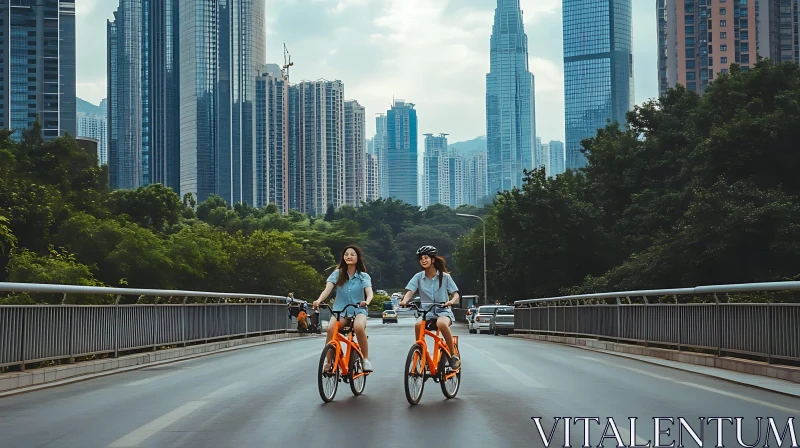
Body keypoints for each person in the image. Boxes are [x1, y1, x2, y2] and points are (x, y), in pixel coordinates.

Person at [312, 245, 374, 372]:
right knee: (331, 329)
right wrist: (319, 300)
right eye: (346, 254)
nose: (349, 256)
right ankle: (329, 363)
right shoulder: (337, 274)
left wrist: (366, 302)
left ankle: (365, 359)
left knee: (358, 327)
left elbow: (370, 292)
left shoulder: (363, 276)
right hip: (341, 311)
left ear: (358, 258)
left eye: (352, 254)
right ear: (343, 257)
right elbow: (327, 289)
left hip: (359, 310)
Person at [400, 245, 461, 369]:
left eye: (426, 258)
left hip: (443, 311)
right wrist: (404, 301)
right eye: (421, 258)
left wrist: (450, 302)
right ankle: (421, 352)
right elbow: (410, 291)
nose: (423, 260)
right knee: (418, 325)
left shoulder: (445, 277)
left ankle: (453, 355)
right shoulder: (418, 277)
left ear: (433, 260)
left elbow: (456, 295)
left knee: (442, 324)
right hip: (426, 312)